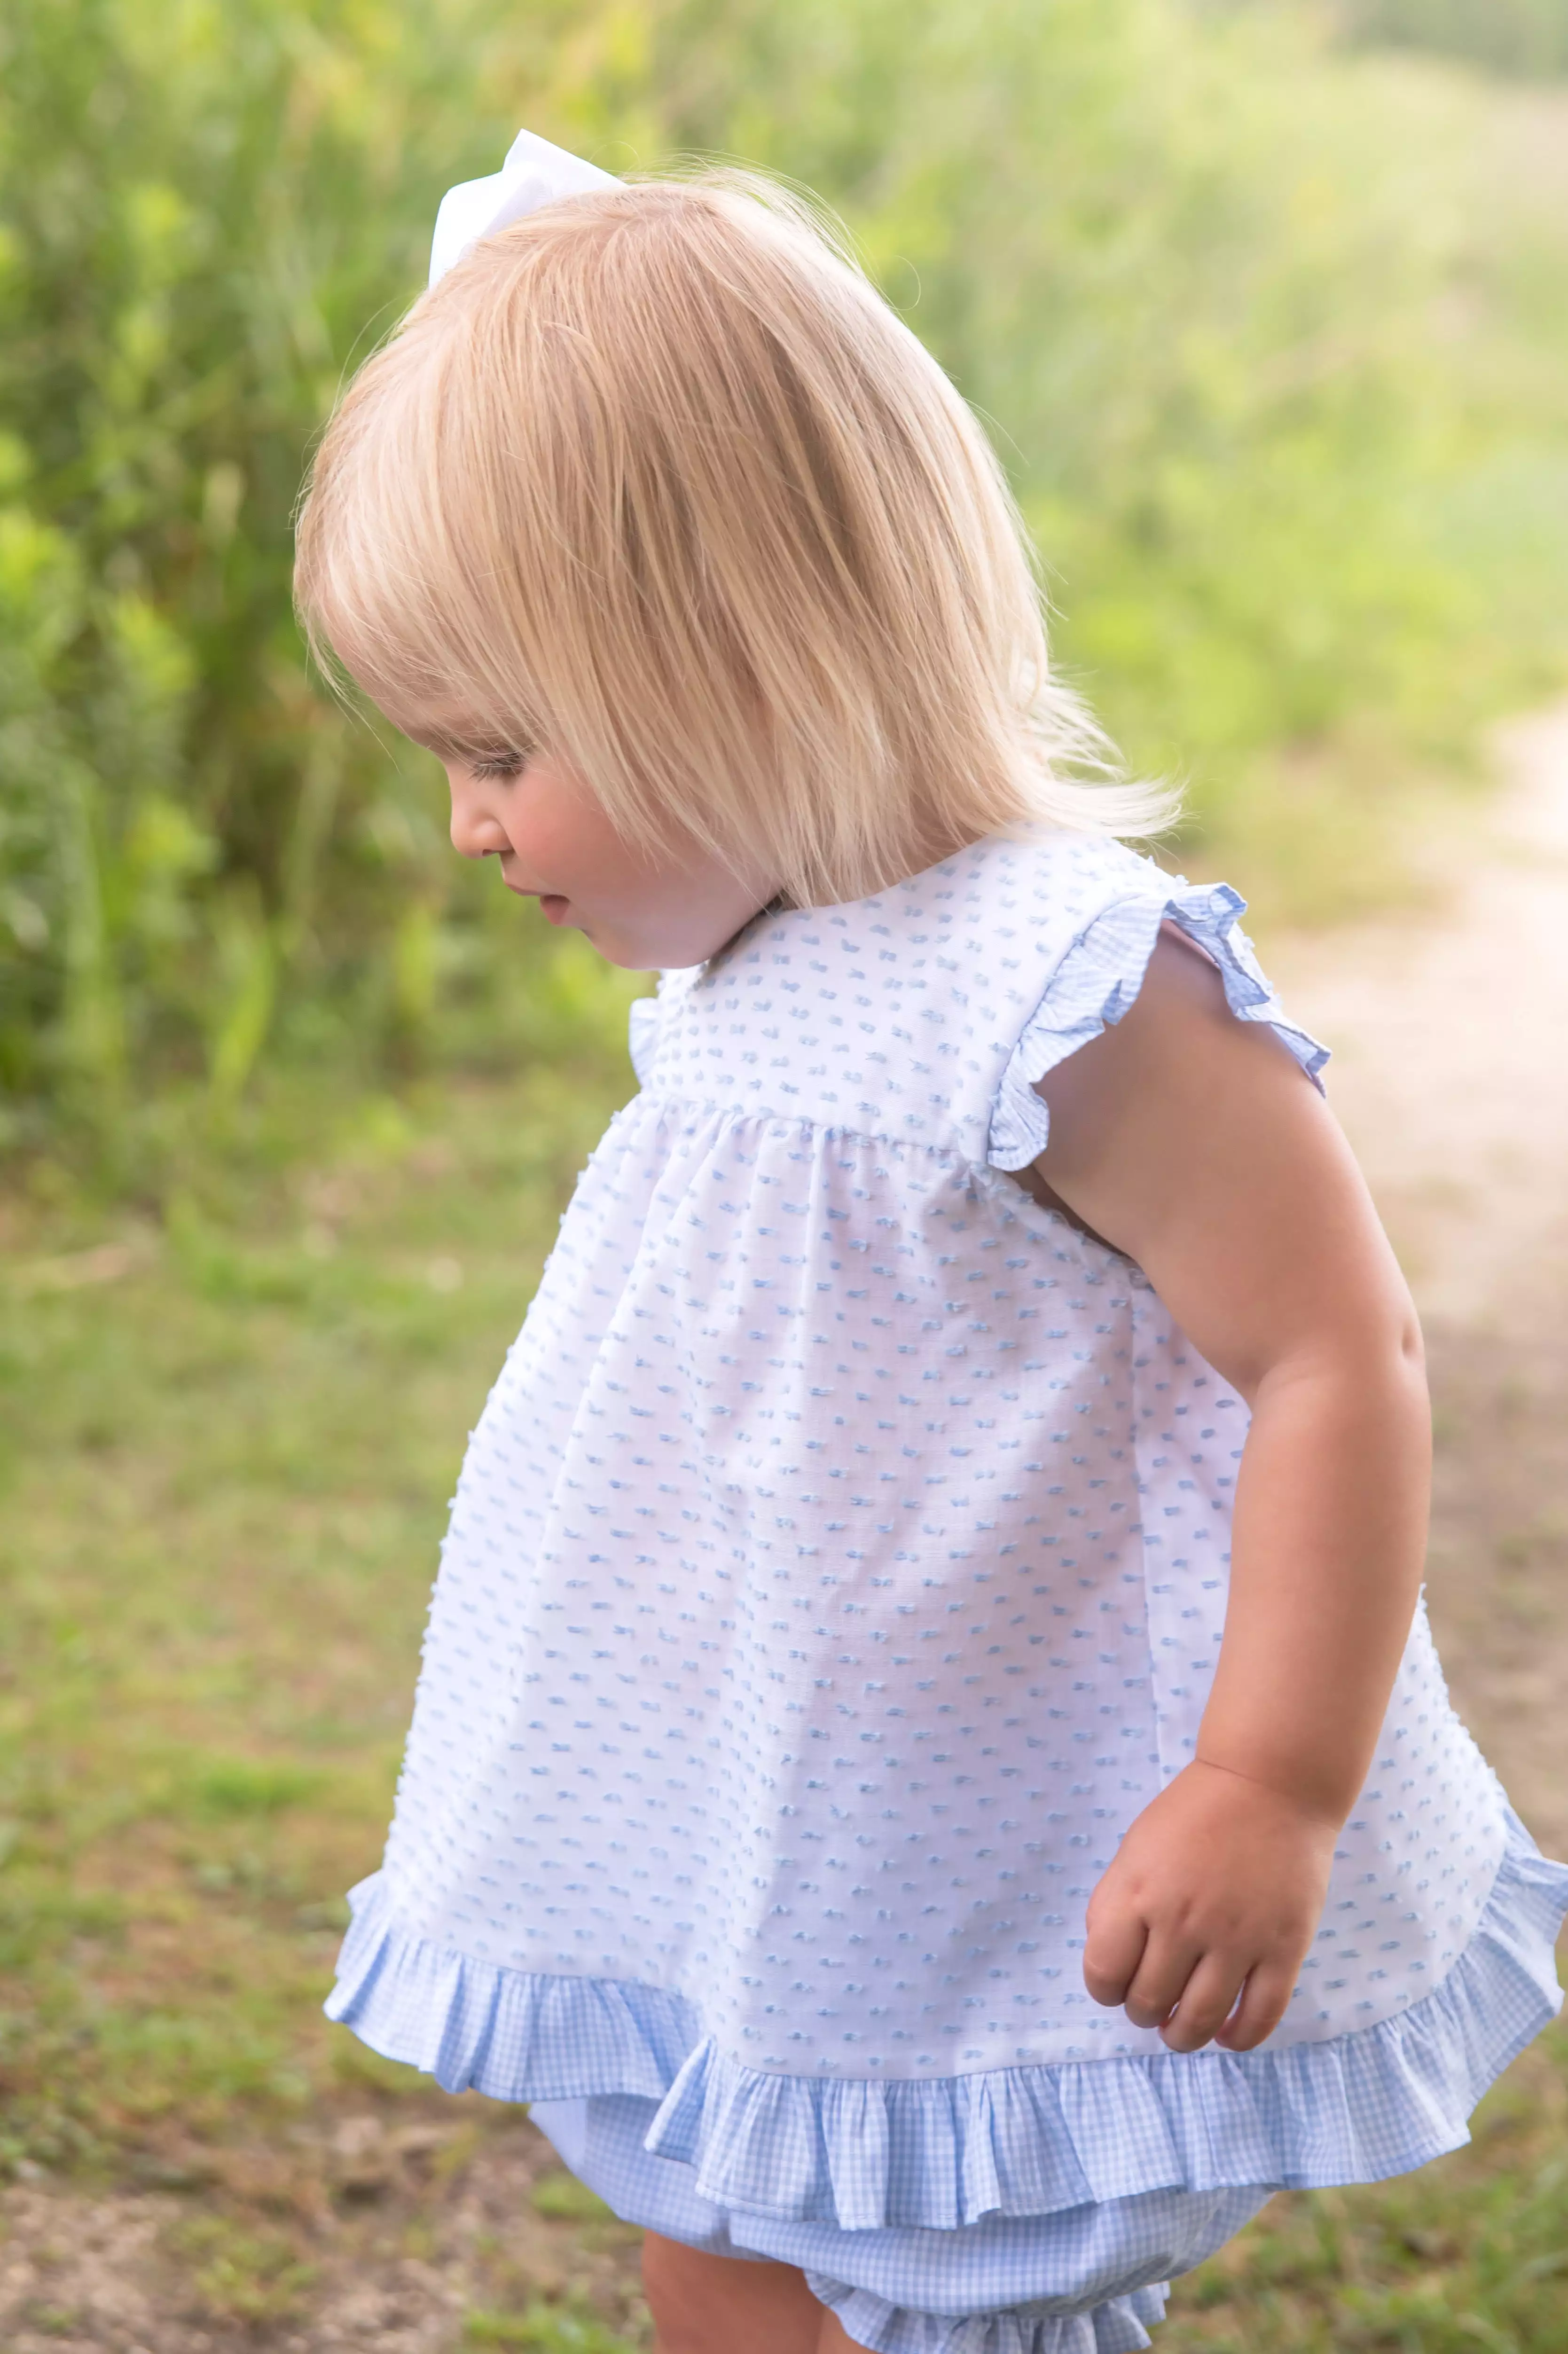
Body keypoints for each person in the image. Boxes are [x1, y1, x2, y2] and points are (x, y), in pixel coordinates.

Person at [292, 131, 1568, 2354]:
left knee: (923, 2277)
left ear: (733, 663)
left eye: (498, 748)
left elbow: (1335, 1356)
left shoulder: (1069, 984)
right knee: (725, 2212)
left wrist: (1270, 1776)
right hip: (769, 1798)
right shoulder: (741, 964)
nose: (467, 826)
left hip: (984, 1843)